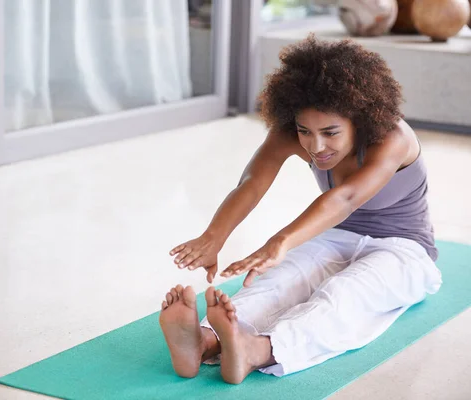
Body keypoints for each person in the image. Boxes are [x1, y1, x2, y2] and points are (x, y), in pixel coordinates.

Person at [158, 35, 442, 385]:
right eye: (305, 131)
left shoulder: (393, 138)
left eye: (331, 132)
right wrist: (213, 238)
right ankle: (204, 341)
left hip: (406, 249)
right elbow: (250, 183)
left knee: (346, 293)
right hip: (337, 236)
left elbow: (345, 198)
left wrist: (281, 241)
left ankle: (258, 350)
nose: (316, 146)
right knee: (280, 280)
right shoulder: (292, 132)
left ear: (361, 118)